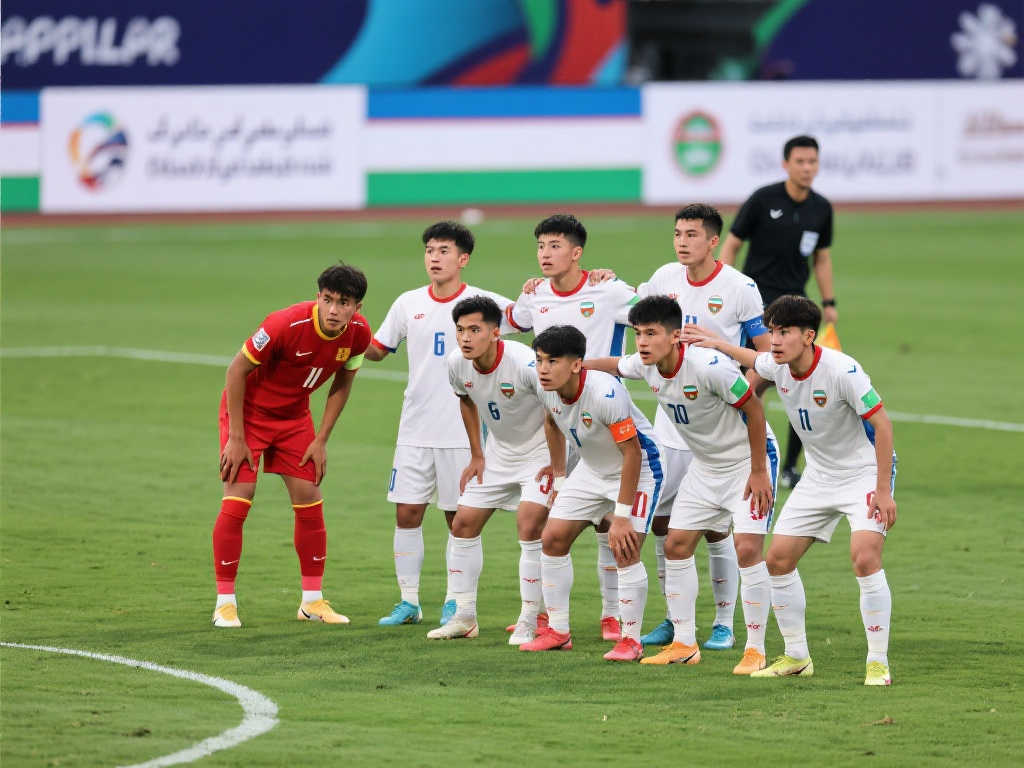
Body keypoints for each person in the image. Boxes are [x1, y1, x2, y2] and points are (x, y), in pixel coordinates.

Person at [683, 296, 897, 686]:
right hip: (819, 477)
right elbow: (752, 357)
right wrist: (716, 343)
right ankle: (797, 656)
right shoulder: (776, 364)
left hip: (863, 474)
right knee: (778, 560)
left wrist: (883, 490)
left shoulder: (843, 370)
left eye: (784, 332)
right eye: (772, 331)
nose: (775, 340)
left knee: (865, 557)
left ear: (809, 336)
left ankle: (878, 663)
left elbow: (882, 425)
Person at [586, 296, 776, 672]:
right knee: (675, 545)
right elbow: (613, 365)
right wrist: (574, 367)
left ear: (675, 337)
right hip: (706, 467)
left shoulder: (709, 367)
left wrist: (758, 471)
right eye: (638, 334)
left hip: (748, 462)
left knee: (747, 548)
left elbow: (753, 409)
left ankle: (755, 649)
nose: (642, 342)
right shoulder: (646, 364)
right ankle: (685, 643)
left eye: (651, 333)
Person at [636, 203, 771, 652]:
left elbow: (766, 358)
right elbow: (636, 319)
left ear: (714, 241)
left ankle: (723, 622)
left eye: (692, 234)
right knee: (663, 523)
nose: (682, 242)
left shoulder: (739, 288)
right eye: (677, 233)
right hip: (674, 426)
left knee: (717, 528)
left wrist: (738, 398)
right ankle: (675, 619)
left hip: (720, 427)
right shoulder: (663, 278)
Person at [366, 221, 514, 627]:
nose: (434, 257)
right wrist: (343, 336)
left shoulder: (483, 304)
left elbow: (530, 316)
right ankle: (408, 602)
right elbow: (378, 348)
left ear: (463, 259)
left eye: (443, 251)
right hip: (414, 428)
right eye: (430, 250)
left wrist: (540, 287)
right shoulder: (408, 303)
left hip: (463, 433)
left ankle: (456, 602)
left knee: (459, 519)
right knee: (407, 513)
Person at [212, 264, 371, 628]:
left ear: (357, 307)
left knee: (310, 497)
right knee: (239, 497)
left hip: (294, 418)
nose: (333, 309)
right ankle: (224, 603)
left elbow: (343, 383)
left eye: (343, 303)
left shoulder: (360, 334)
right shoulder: (284, 324)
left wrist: (321, 439)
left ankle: (312, 602)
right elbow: (235, 371)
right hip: (248, 416)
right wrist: (236, 437)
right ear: (318, 297)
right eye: (327, 299)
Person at [506, 214, 640, 641]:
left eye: (555, 246)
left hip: (605, 421)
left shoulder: (608, 290)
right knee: (540, 522)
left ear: (577, 252)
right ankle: (543, 616)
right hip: (559, 421)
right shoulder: (536, 295)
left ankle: (612, 615)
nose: (545, 254)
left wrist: (619, 280)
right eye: (541, 246)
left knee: (608, 525)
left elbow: (653, 313)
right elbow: (505, 321)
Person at [520, 325, 663, 662]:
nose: (543, 369)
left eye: (552, 361)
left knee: (625, 549)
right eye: (539, 360)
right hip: (592, 469)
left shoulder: (606, 393)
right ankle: (558, 631)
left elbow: (632, 452)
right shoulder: (546, 388)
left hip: (639, 468)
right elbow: (551, 424)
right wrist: (559, 479)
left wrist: (622, 516)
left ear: (576, 365)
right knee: (552, 538)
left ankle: (631, 641)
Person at [425, 296, 556, 643]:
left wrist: (558, 465)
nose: (465, 338)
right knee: (463, 524)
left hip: (540, 454)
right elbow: (466, 400)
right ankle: (464, 618)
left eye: (474, 330)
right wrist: (477, 455)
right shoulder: (457, 363)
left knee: (529, 525)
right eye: (460, 330)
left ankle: (530, 619)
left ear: (496, 332)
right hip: (499, 455)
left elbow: (556, 410)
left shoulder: (524, 364)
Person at [720, 135, 837, 490]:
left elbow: (821, 258)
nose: (807, 168)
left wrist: (829, 303)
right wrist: (724, 288)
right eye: (800, 161)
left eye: (812, 161)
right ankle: (740, 457)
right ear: (786, 164)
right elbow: (732, 244)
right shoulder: (763, 199)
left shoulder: (821, 208)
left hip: (797, 310)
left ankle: (789, 467)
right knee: (750, 383)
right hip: (756, 307)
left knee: (804, 385)